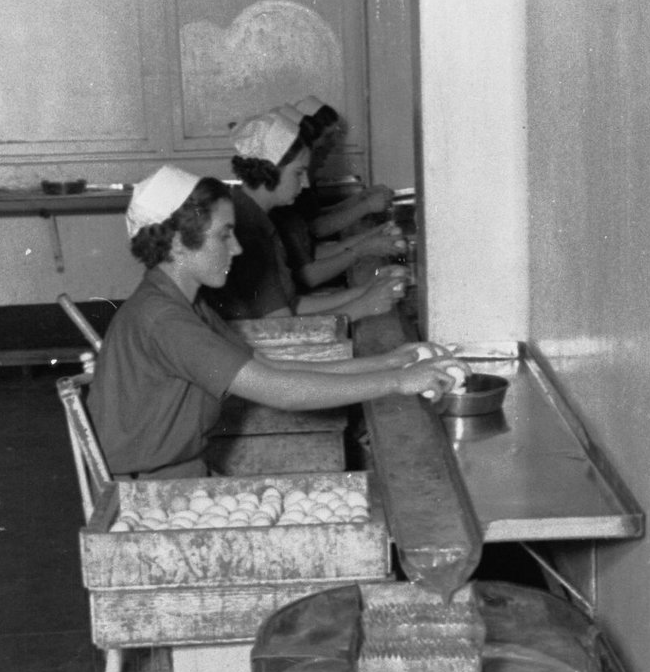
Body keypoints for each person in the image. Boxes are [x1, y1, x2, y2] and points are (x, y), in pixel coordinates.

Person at [86, 166, 451, 480]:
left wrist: (393, 361)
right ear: (180, 243)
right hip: (143, 488)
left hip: (181, 470)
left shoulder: (184, 302)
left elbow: (270, 366)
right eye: (224, 235)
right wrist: (398, 382)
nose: (237, 248)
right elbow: (282, 391)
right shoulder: (166, 320)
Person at [211, 111, 405, 323]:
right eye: (298, 173)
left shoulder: (253, 214)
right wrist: (362, 307)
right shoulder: (248, 231)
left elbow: (289, 304)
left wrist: (364, 292)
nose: (305, 183)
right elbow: (281, 326)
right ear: (271, 170)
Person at [268, 101, 404, 293]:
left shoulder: (287, 193)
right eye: (327, 137)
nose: (331, 144)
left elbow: (307, 248)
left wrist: (368, 235)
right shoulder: (275, 205)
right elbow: (317, 231)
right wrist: (365, 211)